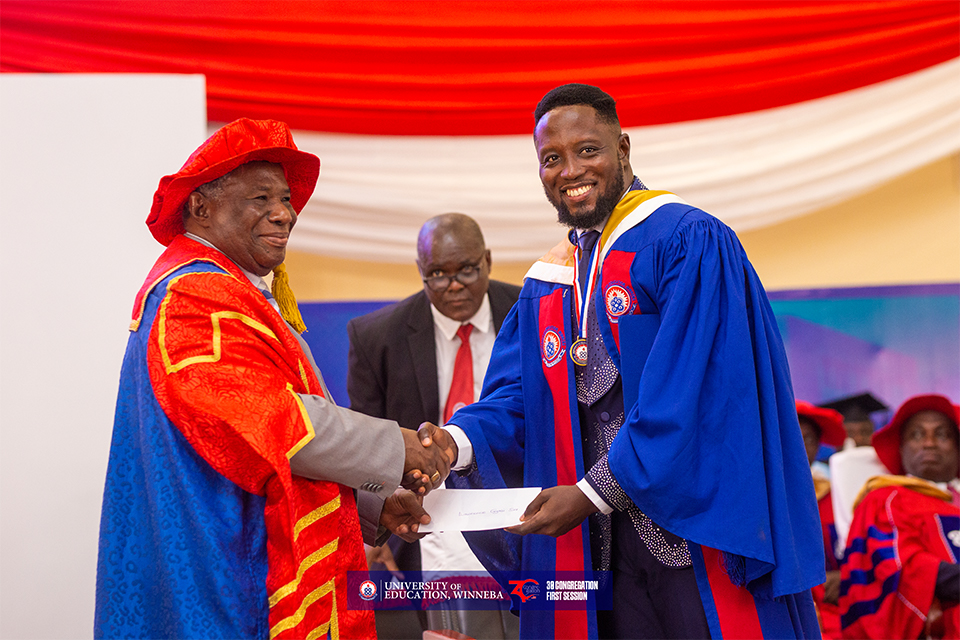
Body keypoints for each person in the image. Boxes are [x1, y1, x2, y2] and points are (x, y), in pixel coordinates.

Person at [419, 84, 824, 639]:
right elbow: (519, 400)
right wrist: (454, 443)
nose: (570, 170)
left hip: (691, 538)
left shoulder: (684, 240)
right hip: (597, 552)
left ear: (624, 149)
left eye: (588, 150)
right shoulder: (550, 281)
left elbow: (692, 391)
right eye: (551, 158)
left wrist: (590, 493)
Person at [94, 118, 451, 639]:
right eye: (260, 198)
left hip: (232, 543)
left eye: (285, 198)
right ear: (201, 206)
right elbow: (275, 421)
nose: (283, 214)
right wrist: (399, 449)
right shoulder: (195, 297)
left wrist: (372, 500)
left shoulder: (227, 290)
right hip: (225, 565)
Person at [347, 213, 521, 639]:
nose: (454, 284)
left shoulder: (528, 312)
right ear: (421, 273)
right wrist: (373, 538)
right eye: (437, 275)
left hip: (519, 507)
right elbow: (365, 447)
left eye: (466, 269)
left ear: (488, 261)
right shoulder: (377, 337)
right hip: (428, 520)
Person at [839, 394, 960, 639]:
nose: (929, 443)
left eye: (942, 434)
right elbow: (904, 568)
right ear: (901, 448)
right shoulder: (886, 498)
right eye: (916, 435)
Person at [797, 401, 848, 638]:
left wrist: (845, 576)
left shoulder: (837, 495)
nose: (797, 446)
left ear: (818, 447)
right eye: (789, 434)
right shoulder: (755, 498)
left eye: (807, 439)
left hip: (837, 613)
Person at [820, 393, 889, 448]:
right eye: (850, 434)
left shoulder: (881, 465)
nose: (859, 439)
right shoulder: (822, 466)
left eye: (865, 432)